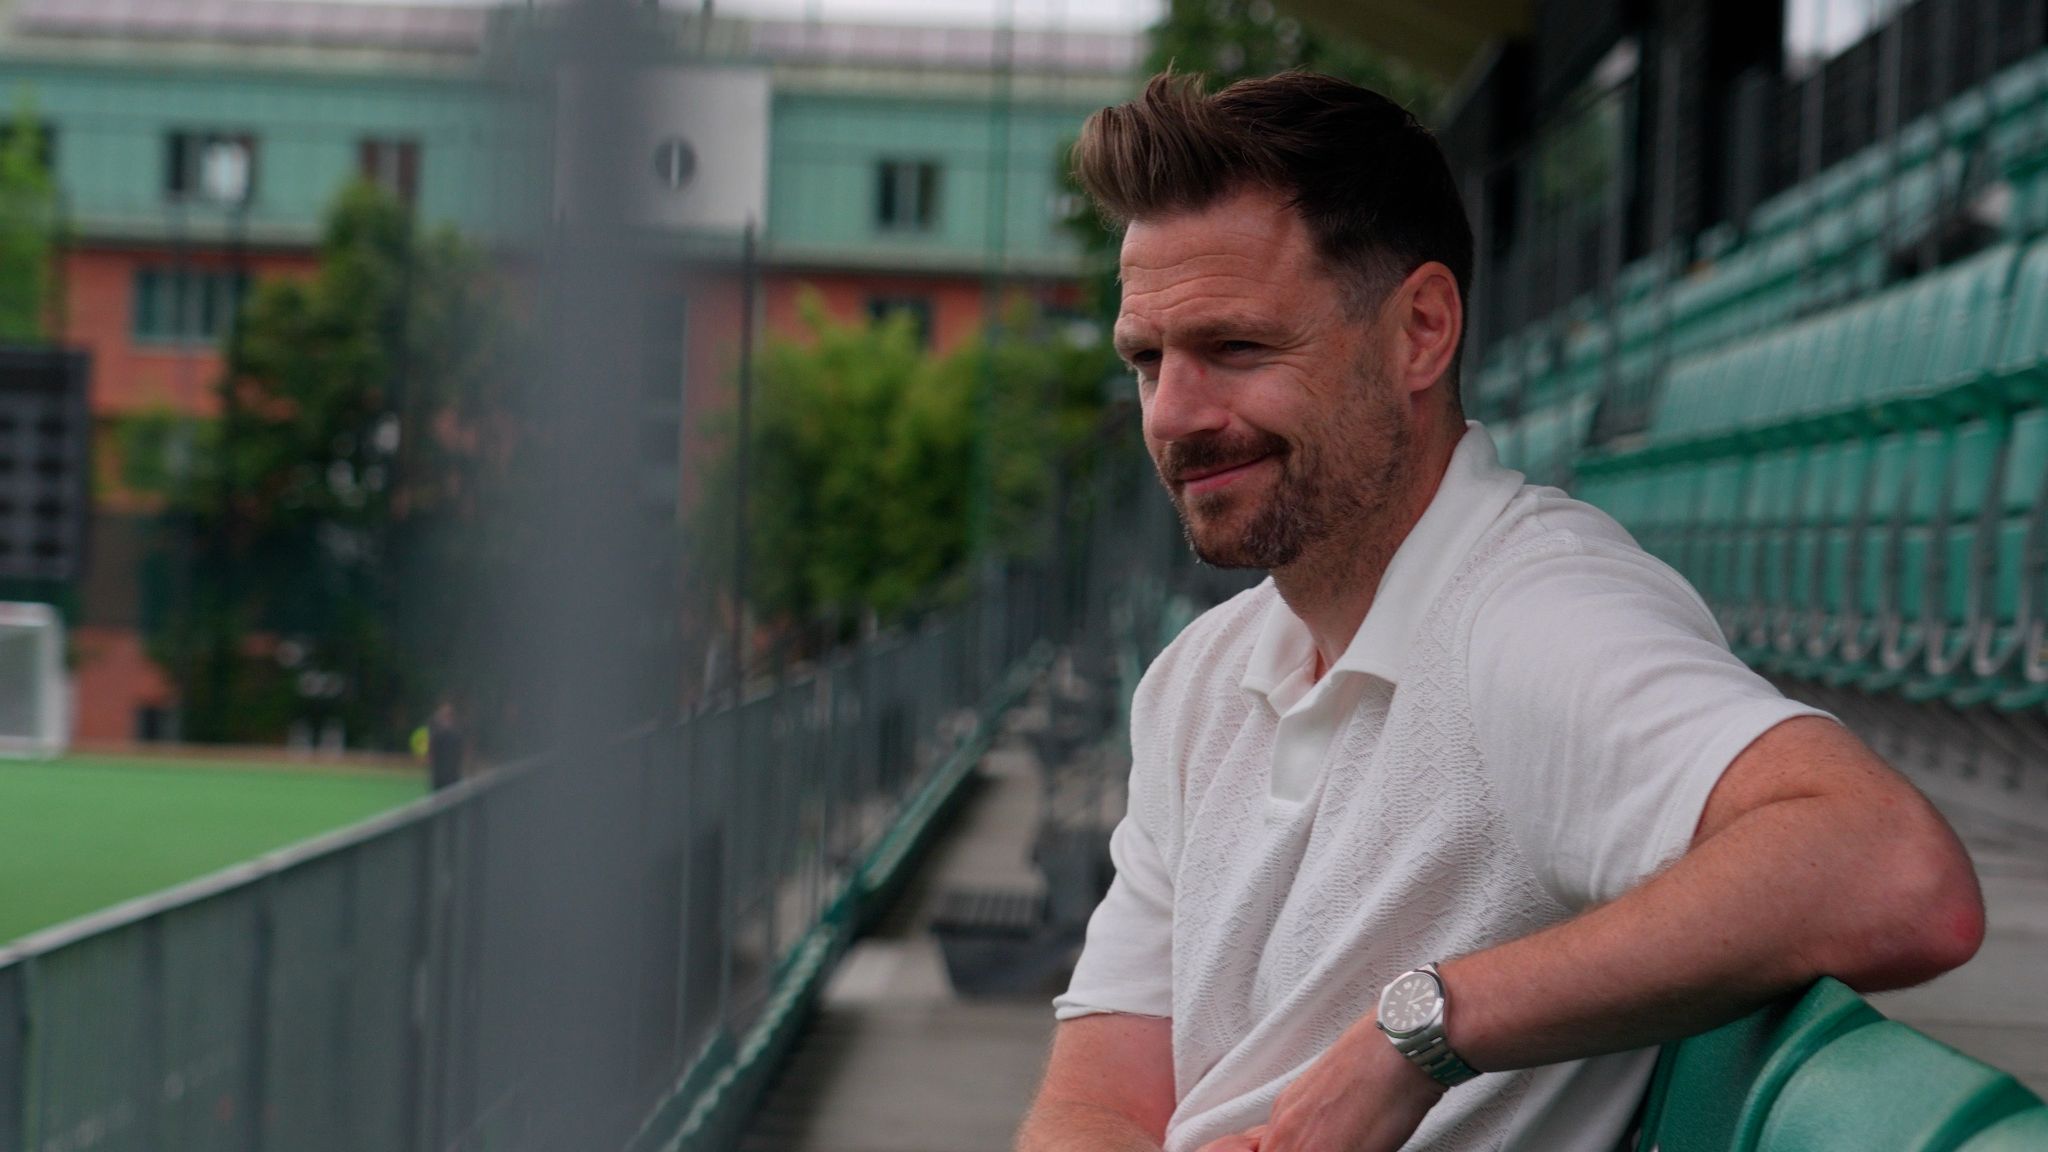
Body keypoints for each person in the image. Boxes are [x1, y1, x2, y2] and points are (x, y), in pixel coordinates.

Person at [1016, 72, 1984, 1152]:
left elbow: (1893, 872)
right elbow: (1096, 1102)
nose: (1173, 414)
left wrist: (1425, 1029)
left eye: (1236, 348)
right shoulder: (1196, 679)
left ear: (1420, 331)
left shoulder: (1532, 617)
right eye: (1146, 361)